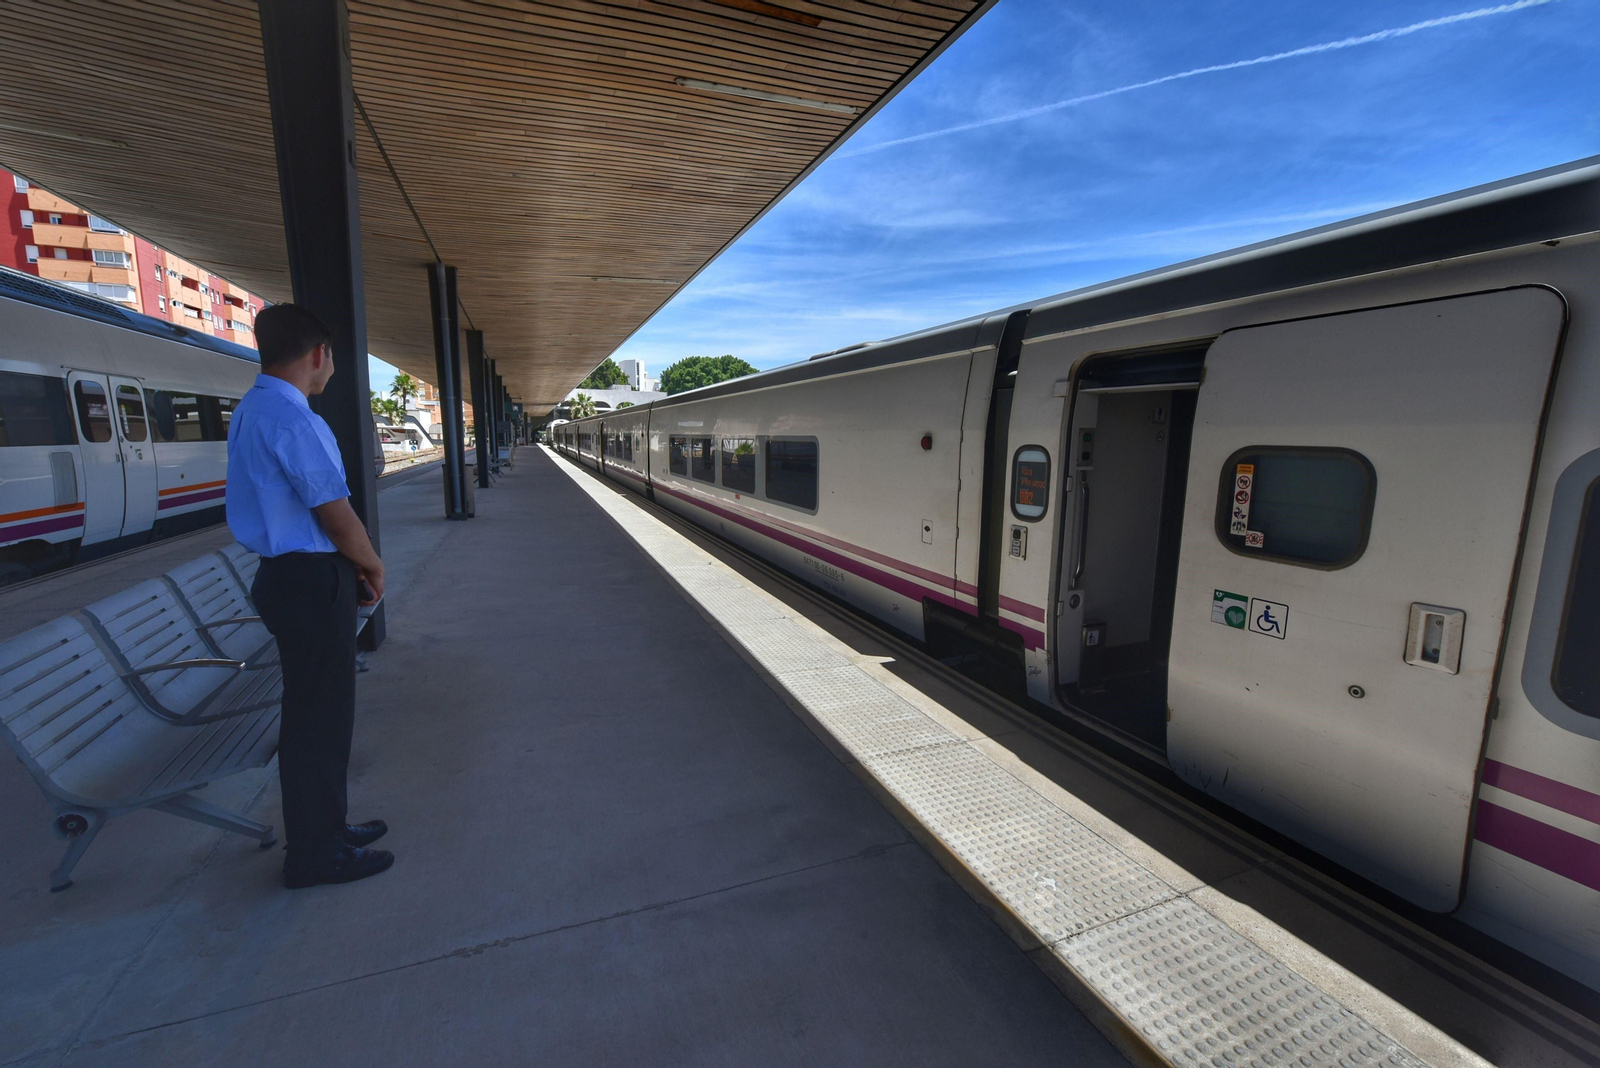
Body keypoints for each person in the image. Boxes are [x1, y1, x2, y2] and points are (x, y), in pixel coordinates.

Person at [226, 303, 393, 889]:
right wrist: (372, 566)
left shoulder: (253, 409)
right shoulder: (296, 419)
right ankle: (317, 854)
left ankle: (327, 829)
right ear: (319, 353)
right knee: (320, 721)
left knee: (311, 716)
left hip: (285, 577)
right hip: (309, 578)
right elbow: (334, 511)